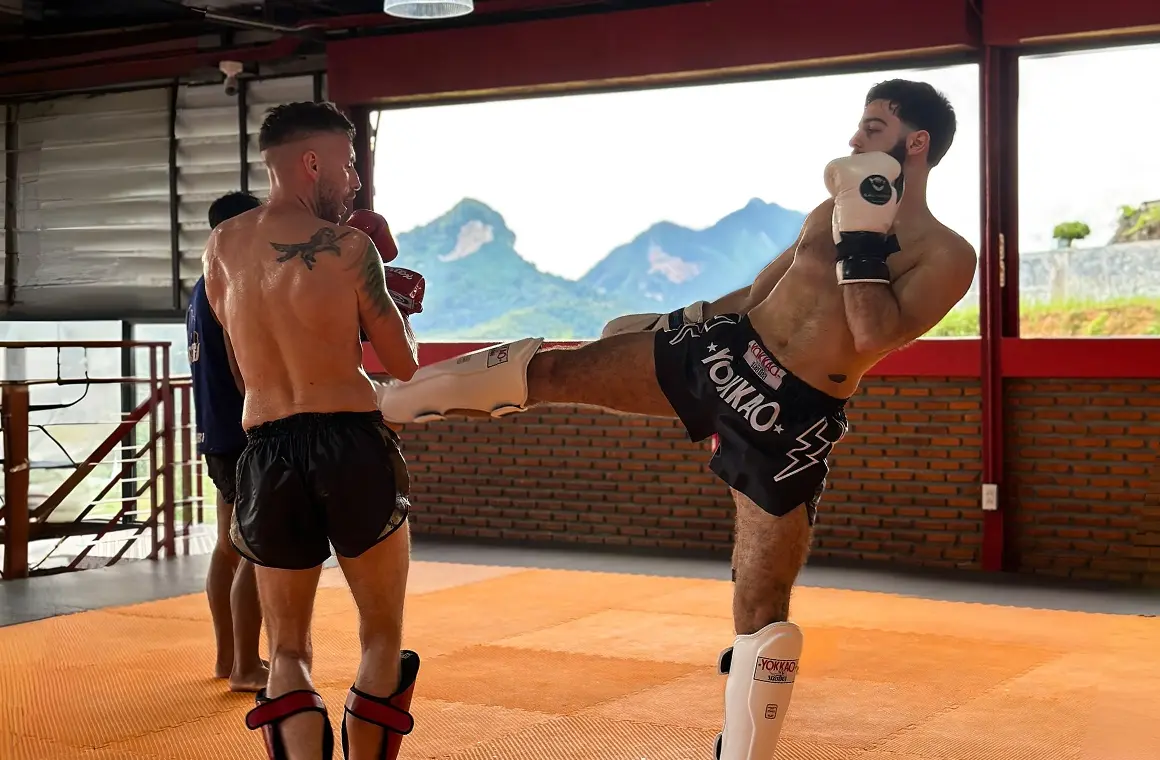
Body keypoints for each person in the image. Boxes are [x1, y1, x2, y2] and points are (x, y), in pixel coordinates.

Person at [371, 79, 977, 760]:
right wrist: (681, 321)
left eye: (872, 127)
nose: (854, 141)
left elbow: (872, 334)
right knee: (558, 369)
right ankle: (384, 401)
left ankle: (741, 755)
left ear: (915, 144)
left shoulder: (948, 255)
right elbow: (755, 292)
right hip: (726, 355)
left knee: (762, 603)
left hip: (789, 416)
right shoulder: (824, 211)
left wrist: (863, 239)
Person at [202, 101, 425, 760]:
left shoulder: (221, 246)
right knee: (382, 635)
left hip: (267, 448)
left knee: (289, 649)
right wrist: (401, 305)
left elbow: (242, 366)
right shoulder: (353, 248)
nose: (354, 181)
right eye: (349, 163)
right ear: (312, 162)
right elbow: (404, 364)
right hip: (352, 443)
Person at [187, 190, 267, 693]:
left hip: (216, 431)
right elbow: (245, 371)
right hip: (244, 430)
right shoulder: (235, 283)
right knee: (257, 548)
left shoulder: (202, 285)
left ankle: (225, 658)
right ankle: (245, 666)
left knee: (228, 547)